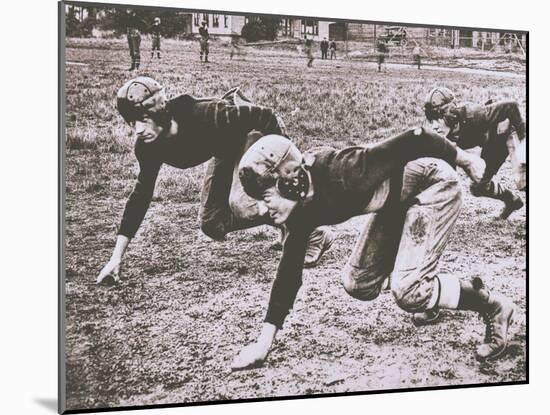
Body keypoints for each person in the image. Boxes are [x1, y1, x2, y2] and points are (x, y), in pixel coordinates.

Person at [231, 128, 516, 370]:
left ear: (289, 180)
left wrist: (465, 160)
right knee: (358, 284)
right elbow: (288, 274)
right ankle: (429, 292)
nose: (261, 207)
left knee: (408, 290)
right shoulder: (301, 209)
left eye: (265, 196)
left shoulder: (344, 171)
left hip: (433, 186)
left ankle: (492, 305)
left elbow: (416, 137)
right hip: (398, 200)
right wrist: (262, 344)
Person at [96, 77, 334, 284]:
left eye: (144, 119)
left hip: (257, 133)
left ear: (159, 112)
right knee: (212, 223)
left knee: (243, 204)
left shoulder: (206, 114)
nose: (138, 129)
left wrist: (284, 170)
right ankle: (287, 225)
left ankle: (311, 229)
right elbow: (141, 196)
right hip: (227, 147)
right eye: (132, 122)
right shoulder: (148, 146)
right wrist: (116, 257)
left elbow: (264, 116)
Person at [423, 87, 526, 220]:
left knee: (523, 179)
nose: (434, 126)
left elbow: (511, 106)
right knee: (479, 187)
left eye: (438, 119)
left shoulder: (474, 114)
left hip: (507, 127)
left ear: (450, 114)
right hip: (493, 143)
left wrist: (523, 143)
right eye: (431, 121)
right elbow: (449, 175)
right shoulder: (444, 137)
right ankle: (512, 201)